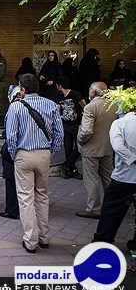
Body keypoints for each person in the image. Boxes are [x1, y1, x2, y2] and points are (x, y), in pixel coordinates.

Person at [5, 74, 63, 253]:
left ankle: (31, 240)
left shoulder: (15, 107)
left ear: (22, 89)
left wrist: (15, 155)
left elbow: (11, 136)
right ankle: (44, 237)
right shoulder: (51, 105)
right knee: (42, 195)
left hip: (23, 154)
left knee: (25, 197)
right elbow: (59, 134)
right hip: (44, 153)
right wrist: (50, 152)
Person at [92, 102, 136, 251]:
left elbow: (117, 146)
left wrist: (132, 158)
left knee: (111, 212)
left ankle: (102, 242)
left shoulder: (120, 123)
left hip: (123, 176)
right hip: (125, 175)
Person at [76, 82, 118, 219]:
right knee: (108, 177)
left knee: (91, 179)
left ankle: (94, 208)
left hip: (91, 149)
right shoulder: (113, 106)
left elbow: (86, 131)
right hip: (108, 147)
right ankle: (112, 205)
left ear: (93, 92)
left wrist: (81, 141)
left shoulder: (90, 107)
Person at [55, 76, 86, 179]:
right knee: (68, 148)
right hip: (65, 125)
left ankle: (66, 165)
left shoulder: (75, 94)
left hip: (76, 124)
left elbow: (84, 106)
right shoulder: (59, 95)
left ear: (60, 85)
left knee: (78, 148)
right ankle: (71, 170)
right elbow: (58, 109)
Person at [0, 85, 22, 220]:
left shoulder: (14, 108)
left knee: (11, 181)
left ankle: (12, 209)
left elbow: (11, 134)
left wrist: (11, 153)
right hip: (27, 149)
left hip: (14, 150)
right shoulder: (29, 106)